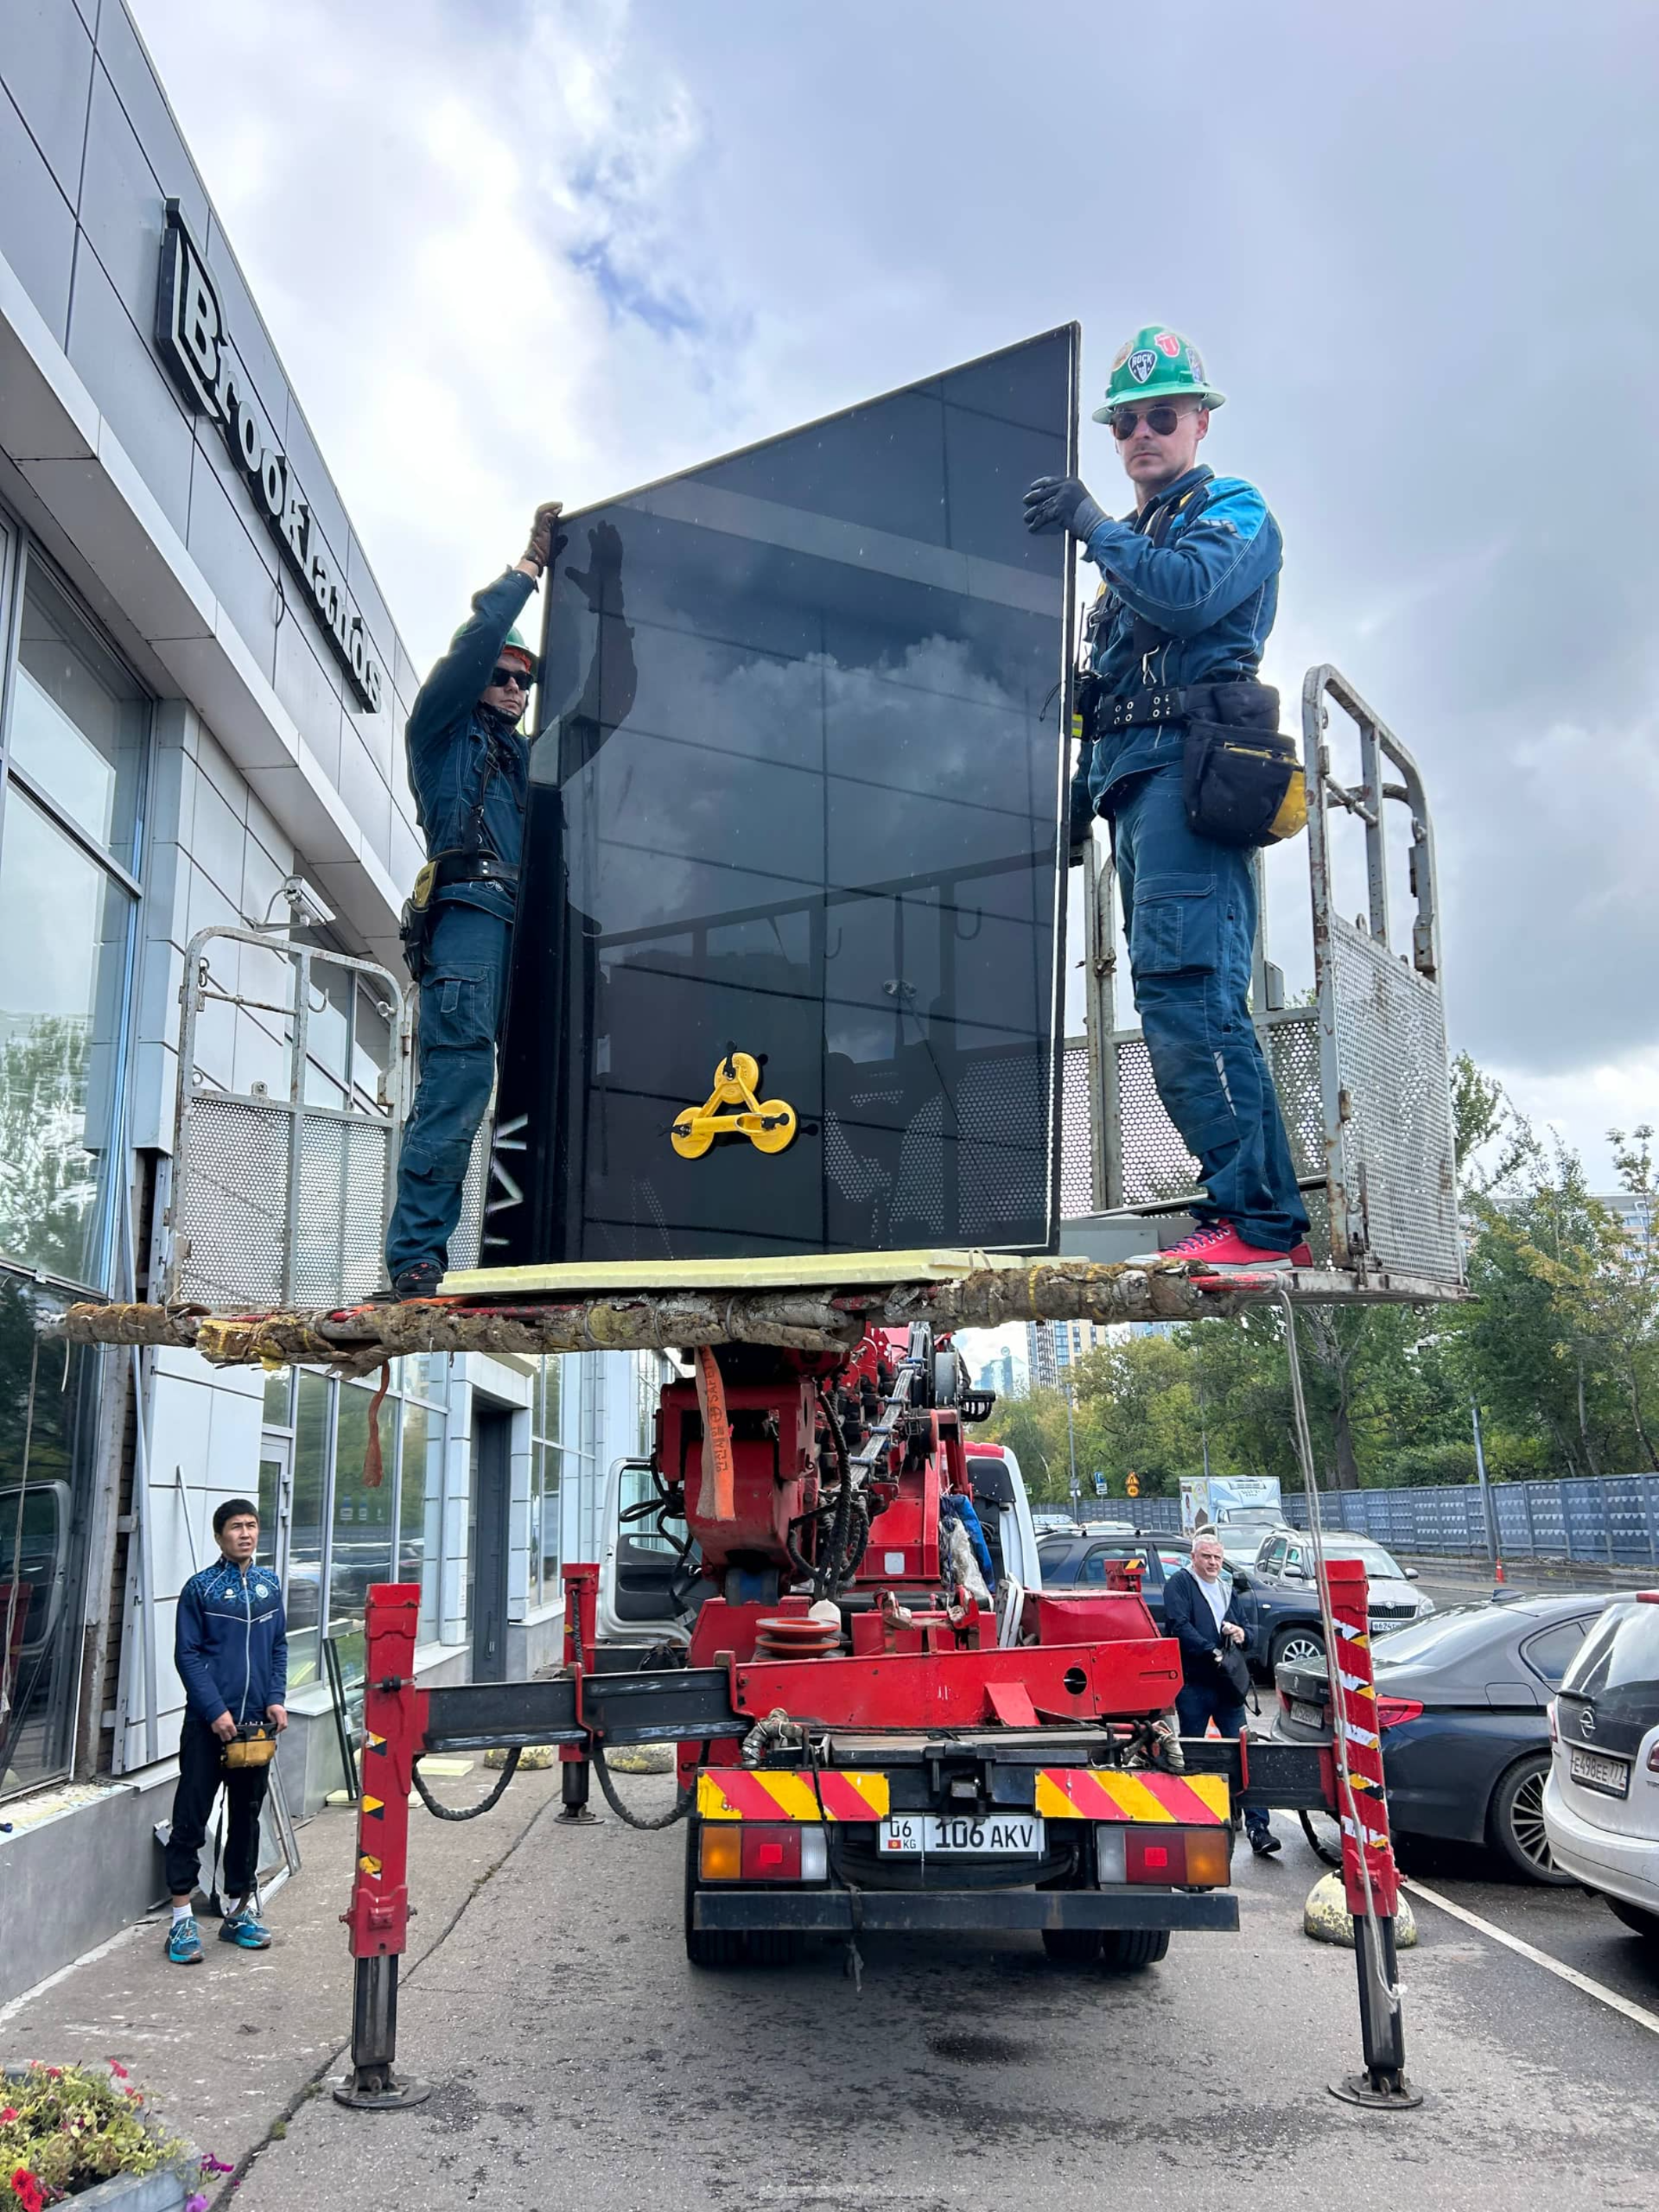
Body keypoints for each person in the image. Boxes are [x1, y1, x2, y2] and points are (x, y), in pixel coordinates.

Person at [1024, 326, 1311, 1274]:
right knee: (1166, 995)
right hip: (1131, 786)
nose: (1143, 432)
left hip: (1193, 780)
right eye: (1127, 421)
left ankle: (1262, 1222)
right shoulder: (1127, 553)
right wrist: (1069, 802)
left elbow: (1190, 597)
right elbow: (1101, 696)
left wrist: (1092, 525)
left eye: (1162, 415)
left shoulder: (1230, 508)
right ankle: (1236, 1203)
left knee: (1193, 993)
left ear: (1197, 421)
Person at [382, 499, 568, 1300]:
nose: (514, 688)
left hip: (527, 940)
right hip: (469, 924)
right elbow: (475, 647)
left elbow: (605, 719)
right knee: (457, 1086)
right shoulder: (442, 730)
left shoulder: (530, 762)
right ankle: (418, 1258)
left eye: (525, 681)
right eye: (503, 676)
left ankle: (541, 1252)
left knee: (550, 1092)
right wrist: (527, 571)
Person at [165, 1499, 288, 1962]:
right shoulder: (200, 1589)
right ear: (219, 1536)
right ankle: (181, 1923)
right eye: (236, 1527)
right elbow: (188, 1655)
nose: (245, 1534)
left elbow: (278, 1647)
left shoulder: (269, 1585)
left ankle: (238, 1913)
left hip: (255, 1728)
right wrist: (214, 1709)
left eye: (252, 1526)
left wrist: (276, 1698)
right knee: (190, 1821)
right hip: (207, 1727)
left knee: (246, 1822)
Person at [1162, 1529, 1281, 1857]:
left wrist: (1241, 1633)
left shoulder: (1227, 1589)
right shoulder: (1180, 1584)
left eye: (1217, 1558)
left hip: (1228, 1688)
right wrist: (1211, 1651)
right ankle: (1195, 1821)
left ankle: (1259, 1828)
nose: (1213, 1563)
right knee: (1193, 1755)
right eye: (1207, 1557)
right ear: (1194, 1558)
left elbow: (1248, 1630)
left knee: (1243, 1753)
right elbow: (1179, 1625)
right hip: (1195, 1685)